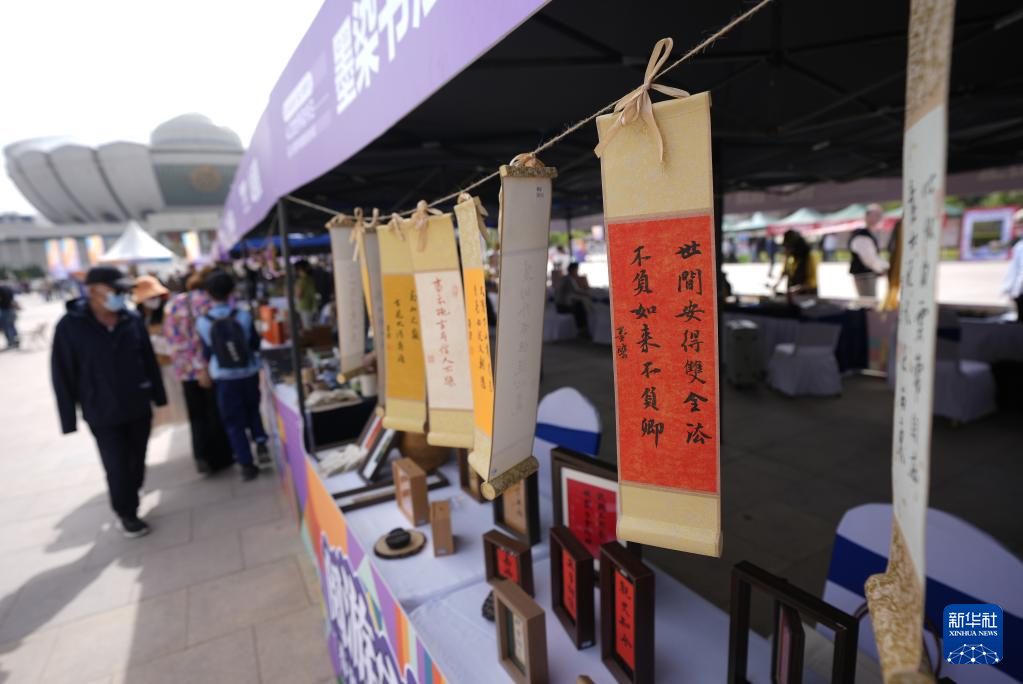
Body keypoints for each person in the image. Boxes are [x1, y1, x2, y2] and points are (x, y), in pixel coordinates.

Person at [51, 266, 167, 537]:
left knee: (137, 459)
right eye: (115, 290)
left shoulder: (131, 319)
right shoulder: (70, 326)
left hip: (137, 405)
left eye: (123, 290)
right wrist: (68, 418)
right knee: (116, 464)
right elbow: (62, 372)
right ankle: (126, 513)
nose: (120, 295)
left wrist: (159, 396)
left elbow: (148, 360)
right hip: (101, 410)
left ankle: (131, 493)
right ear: (93, 291)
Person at [197, 270, 269, 481]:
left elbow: (207, 352)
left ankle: (246, 463)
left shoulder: (203, 321)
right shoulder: (243, 315)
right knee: (253, 410)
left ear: (208, 293)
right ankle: (260, 441)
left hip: (224, 378)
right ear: (231, 291)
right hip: (248, 373)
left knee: (233, 421)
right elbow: (254, 344)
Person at [164, 268, 235, 473]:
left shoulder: (176, 302)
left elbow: (171, 337)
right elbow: (205, 339)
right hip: (207, 367)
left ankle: (201, 455)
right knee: (214, 411)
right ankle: (220, 456)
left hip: (185, 369)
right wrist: (202, 366)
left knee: (196, 415)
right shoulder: (208, 302)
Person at [848, 204, 889, 298]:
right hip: (864, 274)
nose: (879, 218)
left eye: (880, 215)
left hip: (867, 273)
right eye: (876, 215)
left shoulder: (869, 233)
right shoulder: (862, 234)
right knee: (868, 301)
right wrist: (882, 268)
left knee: (869, 300)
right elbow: (868, 258)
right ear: (867, 216)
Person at [772, 230, 819, 303]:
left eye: (789, 247)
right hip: (793, 296)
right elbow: (784, 271)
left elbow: (812, 282)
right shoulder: (790, 257)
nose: (787, 250)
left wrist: (797, 289)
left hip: (808, 296)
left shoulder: (810, 256)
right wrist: (776, 284)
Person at [554, 262, 592, 339]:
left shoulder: (564, 278)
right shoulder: (569, 279)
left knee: (580, 305)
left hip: (559, 306)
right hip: (563, 307)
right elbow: (577, 291)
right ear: (573, 270)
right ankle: (582, 330)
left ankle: (582, 329)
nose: (577, 272)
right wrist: (590, 293)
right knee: (581, 307)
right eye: (577, 270)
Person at [1002, 209, 1023, 322]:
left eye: (1019, 226)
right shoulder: (1019, 244)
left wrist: (1015, 291)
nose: (1017, 229)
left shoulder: (1021, 246)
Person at [294, 259, 318, 329]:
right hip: (312, 305)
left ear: (300, 270)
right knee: (311, 327)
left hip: (303, 306)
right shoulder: (310, 279)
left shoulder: (300, 281)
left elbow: (298, 295)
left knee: (306, 328)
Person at [0, 282, 19, 349]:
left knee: (7, 327)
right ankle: (16, 341)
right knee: (12, 326)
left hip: (5, 310)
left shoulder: (1, 290)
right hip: (12, 310)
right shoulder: (8, 288)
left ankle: (11, 342)